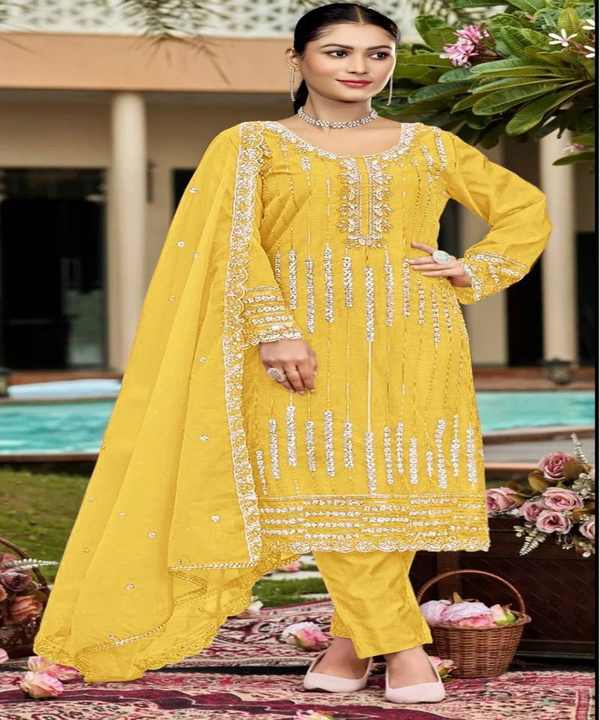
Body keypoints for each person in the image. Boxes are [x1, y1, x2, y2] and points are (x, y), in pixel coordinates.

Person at [33, 1, 552, 704]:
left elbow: (525, 209)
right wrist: (274, 329)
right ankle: (406, 649)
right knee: (327, 486)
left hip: (416, 342)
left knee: (393, 491)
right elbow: (234, 245)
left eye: (377, 54)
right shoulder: (252, 145)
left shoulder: (430, 146)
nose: (360, 67)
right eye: (339, 52)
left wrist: (474, 269)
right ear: (298, 59)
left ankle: (349, 644)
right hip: (300, 341)